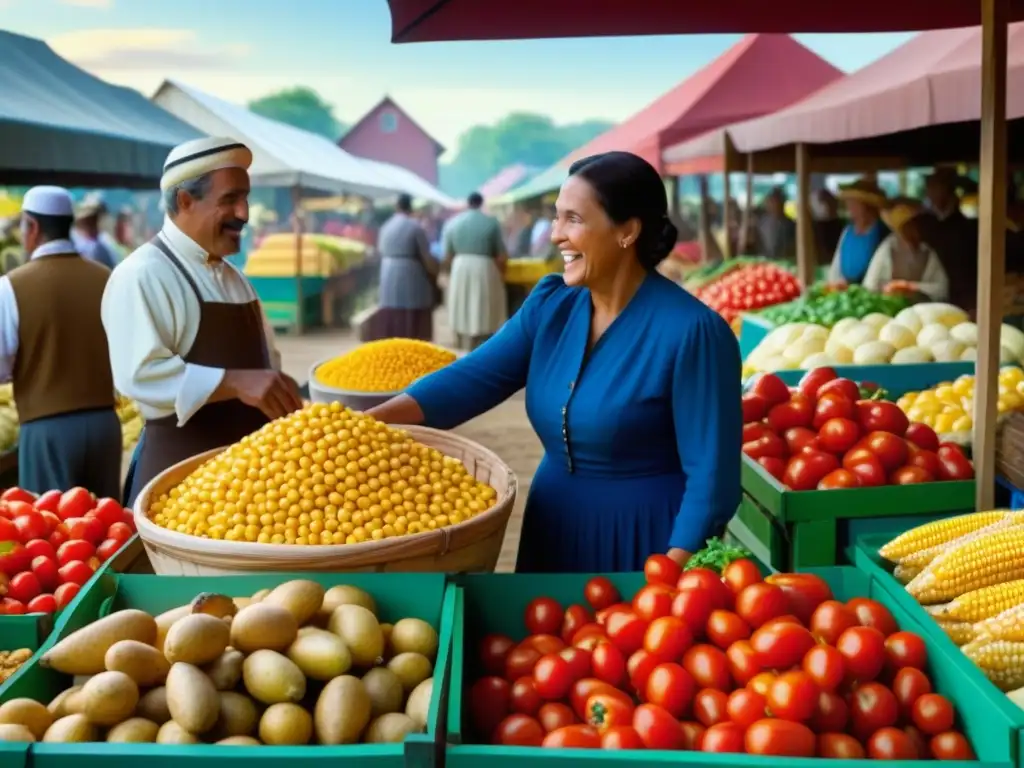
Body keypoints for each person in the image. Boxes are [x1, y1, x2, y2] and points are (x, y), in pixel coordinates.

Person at [368, 151, 742, 573]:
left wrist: (668, 576)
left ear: (627, 231)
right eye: (556, 218)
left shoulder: (692, 332)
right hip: (553, 527)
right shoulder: (552, 305)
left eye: (573, 220)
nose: (555, 235)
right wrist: (363, 427)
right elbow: (470, 379)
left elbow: (714, 483)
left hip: (646, 542)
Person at [102, 136, 303, 506]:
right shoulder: (144, 274)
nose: (243, 213)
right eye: (229, 200)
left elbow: (266, 365)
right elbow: (139, 375)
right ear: (184, 201)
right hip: (181, 490)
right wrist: (234, 381)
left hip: (251, 491)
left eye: (246, 198)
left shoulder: (235, 278)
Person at [0, 186, 121, 497]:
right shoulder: (106, 277)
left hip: (46, 430)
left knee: (52, 532)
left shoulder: (11, 287)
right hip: (106, 426)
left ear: (33, 226)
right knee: (108, 532)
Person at [443, 192, 508, 350]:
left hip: (460, 268)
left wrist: (447, 273)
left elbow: (447, 255)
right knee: (483, 307)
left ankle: (462, 345)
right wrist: (502, 273)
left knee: (462, 306)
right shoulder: (491, 222)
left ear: (468, 203)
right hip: (484, 268)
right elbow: (501, 255)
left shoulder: (453, 223)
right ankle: (483, 345)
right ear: (481, 203)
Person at [375, 193, 439, 341]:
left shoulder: (386, 226)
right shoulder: (416, 226)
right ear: (411, 206)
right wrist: (434, 273)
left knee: (392, 314)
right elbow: (426, 256)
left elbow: (380, 250)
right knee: (412, 315)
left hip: (388, 272)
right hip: (410, 273)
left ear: (396, 207)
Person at [862, 198, 949, 302]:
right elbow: (870, 285)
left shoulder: (927, 251)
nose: (916, 229)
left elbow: (941, 289)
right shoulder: (889, 247)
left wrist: (911, 288)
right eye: (911, 225)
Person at [918, 166, 979, 313]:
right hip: (934, 298)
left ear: (947, 189)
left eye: (934, 187)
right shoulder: (925, 223)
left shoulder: (967, 227)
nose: (929, 192)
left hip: (963, 298)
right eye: (929, 187)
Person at [828, 177, 889, 285]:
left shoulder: (882, 232)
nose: (850, 207)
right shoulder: (848, 231)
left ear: (867, 206)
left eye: (854, 203)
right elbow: (836, 265)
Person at [72, 195, 118, 269]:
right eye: (89, 219)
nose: (92, 222)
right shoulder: (73, 242)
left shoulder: (105, 242)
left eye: (95, 218)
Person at [756, 187, 796, 260]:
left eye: (777, 202)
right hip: (765, 261)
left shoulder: (790, 225)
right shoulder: (761, 223)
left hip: (785, 261)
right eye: (772, 202)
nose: (775, 205)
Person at [812, 189, 845, 261]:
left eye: (830, 202)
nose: (826, 206)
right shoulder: (816, 227)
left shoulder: (843, 226)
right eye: (823, 202)